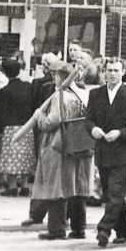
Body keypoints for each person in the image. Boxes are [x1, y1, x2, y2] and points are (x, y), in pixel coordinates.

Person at [85, 57, 126, 247]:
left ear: (123, 73)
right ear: (104, 72)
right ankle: (124, 231)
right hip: (103, 150)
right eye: (109, 70)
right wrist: (93, 129)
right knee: (111, 193)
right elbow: (88, 120)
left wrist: (121, 133)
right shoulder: (96, 94)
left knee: (116, 190)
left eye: (116, 70)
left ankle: (104, 229)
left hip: (122, 151)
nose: (112, 74)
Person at [33, 61, 92, 240]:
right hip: (82, 144)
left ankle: (57, 229)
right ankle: (78, 228)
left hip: (60, 146)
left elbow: (53, 121)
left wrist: (39, 116)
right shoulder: (85, 94)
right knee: (78, 187)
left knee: (58, 187)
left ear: (59, 76)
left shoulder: (59, 96)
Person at [0, 59, 35, 197]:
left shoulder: (4, 91)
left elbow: (2, 114)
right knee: (25, 156)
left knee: (11, 157)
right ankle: (24, 185)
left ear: (5, 73)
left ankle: (12, 186)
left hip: (10, 126)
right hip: (27, 125)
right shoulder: (28, 87)